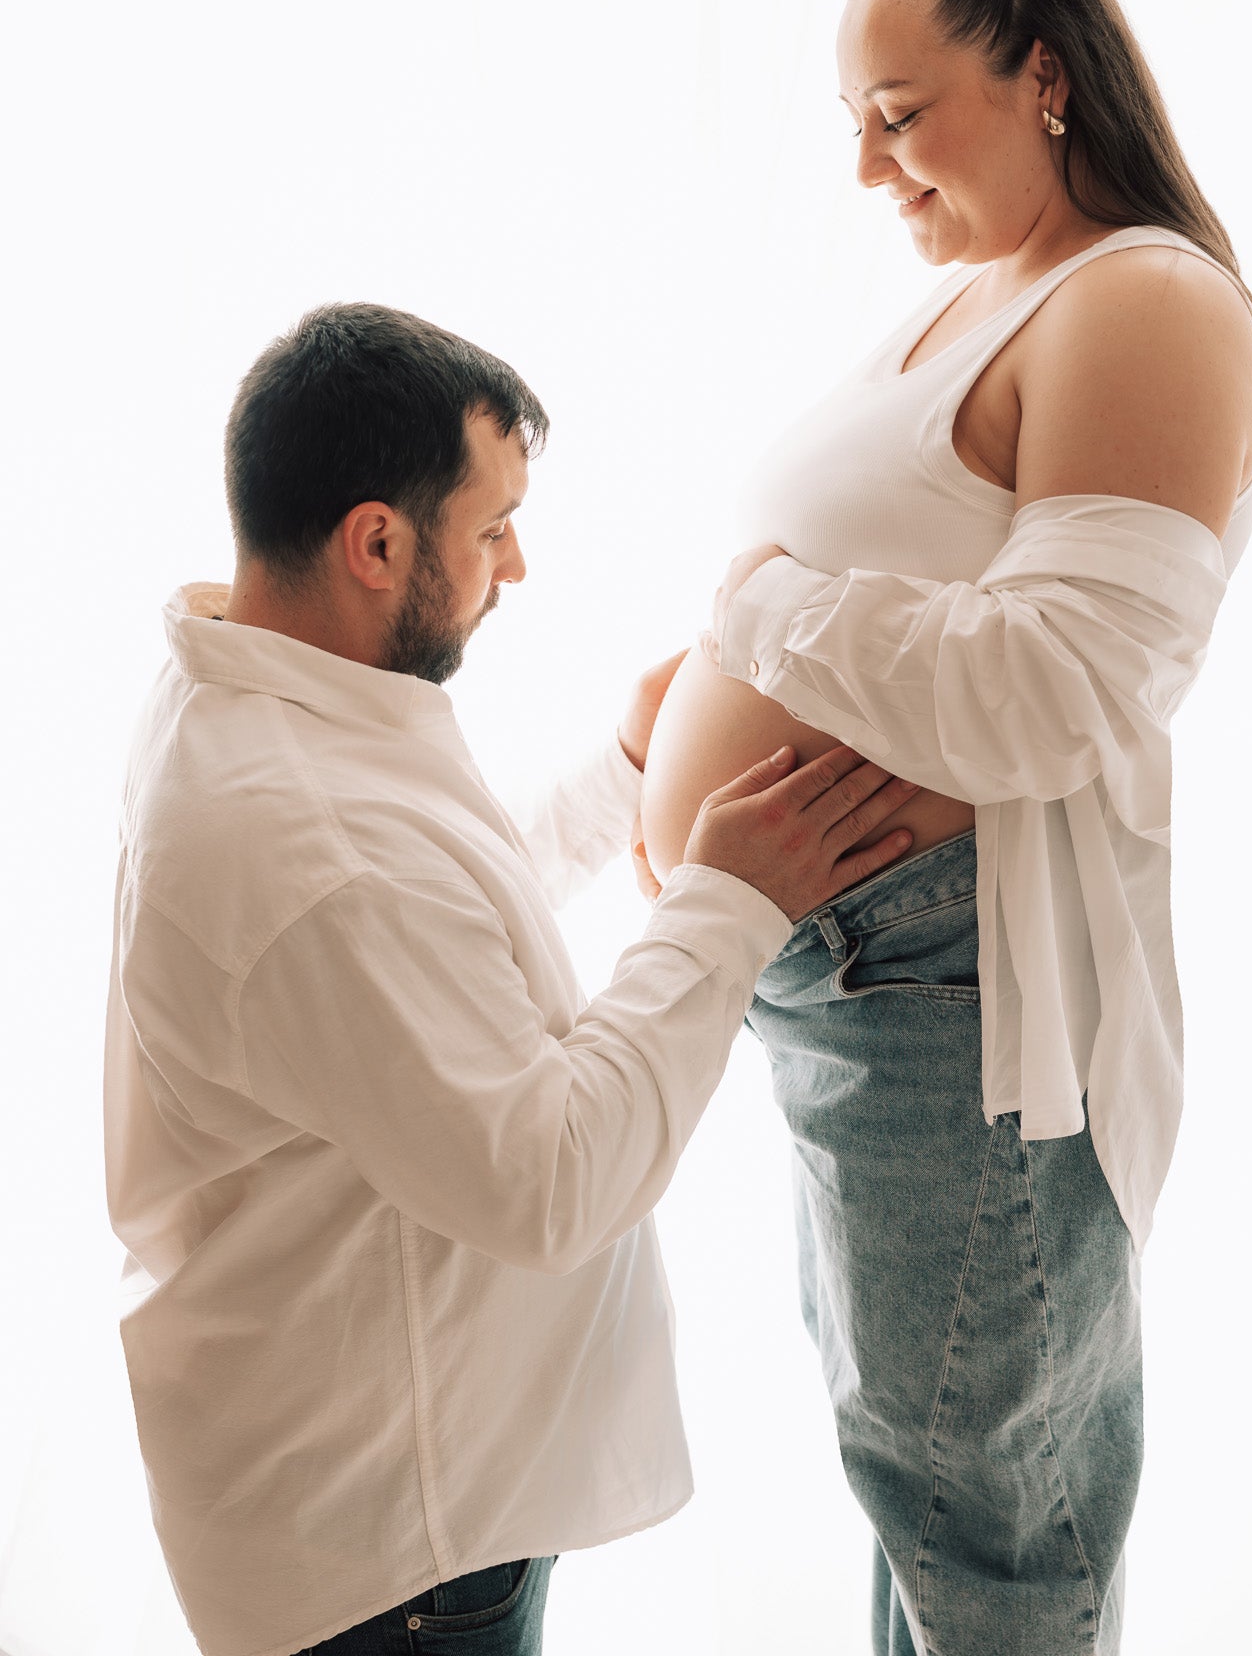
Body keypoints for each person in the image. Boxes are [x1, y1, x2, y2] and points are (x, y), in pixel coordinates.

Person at [637, 0, 1252, 1655]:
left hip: (946, 987)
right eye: (853, 121)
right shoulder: (975, 298)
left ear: (1043, 79)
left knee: (986, 1537)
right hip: (858, 982)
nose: (867, 166)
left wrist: (751, 616)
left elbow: (1060, 692)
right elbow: (892, 605)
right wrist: (684, 697)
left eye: (900, 115)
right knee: (924, 1498)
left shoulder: (1144, 301)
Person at [103, 303, 920, 1656]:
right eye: (493, 530)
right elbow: (552, 1179)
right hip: (390, 1557)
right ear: (376, 542)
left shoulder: (250, 690)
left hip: (379, 1495)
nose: (518, 565)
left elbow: (427, 948)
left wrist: (620, 774)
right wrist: (728, 905)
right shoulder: (304, 843)